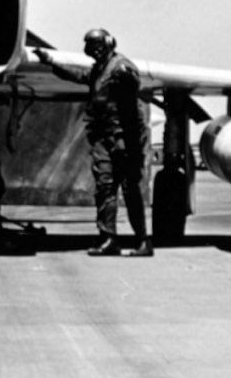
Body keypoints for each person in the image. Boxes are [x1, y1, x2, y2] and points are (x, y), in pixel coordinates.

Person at [36, 29, 152, 257]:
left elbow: (132, 111)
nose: (94, 49)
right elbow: (78, 75)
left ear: (109, 43)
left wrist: (129, 144)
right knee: (105, 188)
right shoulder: (100, 69)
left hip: (123, 141)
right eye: (91, 45)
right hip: (104, 138)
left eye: (98, 44)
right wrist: (50, 61)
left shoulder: (121, 69)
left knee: (130, 191)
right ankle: (109, 239)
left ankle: (142, 241)